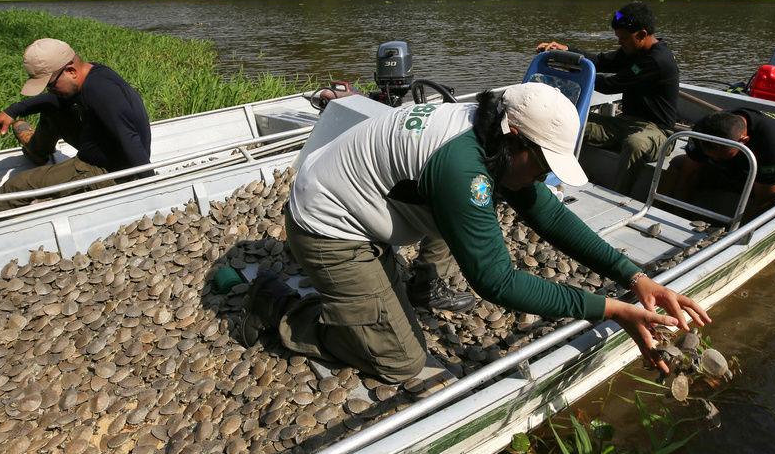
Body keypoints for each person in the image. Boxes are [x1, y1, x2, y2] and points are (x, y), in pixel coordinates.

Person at [240, 83, 710, 384]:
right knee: (399, 363)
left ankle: (422, 286)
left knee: (484, 203)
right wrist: (610, 310)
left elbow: (546, 214)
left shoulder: (489, 136)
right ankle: (278, 303)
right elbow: (496, 281)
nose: (546, 179)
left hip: (367, 191)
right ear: (514, 138)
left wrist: (634, 277)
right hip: (329, 226)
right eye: (543, 165)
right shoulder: (463, 169)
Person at [0, 38, 152, 214]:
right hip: (105, 149)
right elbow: (53, 100)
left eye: (51, 85)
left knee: (16, 185)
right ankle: (37, 152)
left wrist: (152, 187)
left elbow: (129, 138)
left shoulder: (100, 91)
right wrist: (13, 111)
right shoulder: (93, 73)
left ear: (71, 71)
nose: (50, 91)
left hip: (104, 170)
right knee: (54, 109)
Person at [536, 2, 679, 197]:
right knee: (569, 122)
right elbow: (600, 61)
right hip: (625, 123)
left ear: (642, 34)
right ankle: (545, 178)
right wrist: (567, 50)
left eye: (624, 38)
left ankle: (619, 198)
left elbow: (611, 84)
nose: (620, 43)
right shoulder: (634, 51)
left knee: (635, 143)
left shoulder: (656, 60)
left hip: (657, 131)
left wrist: (571, 70)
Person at [664, 109, 775, 222]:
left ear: (743, 141)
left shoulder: (773, 143)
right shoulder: (703, 129)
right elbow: (689, 173)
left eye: (721, 157)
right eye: (711, 157)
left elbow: (767, 198)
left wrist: (731, 235)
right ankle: (659, 211)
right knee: (679, 164)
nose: (715, 161)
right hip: (742, 165)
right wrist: (678, 214)